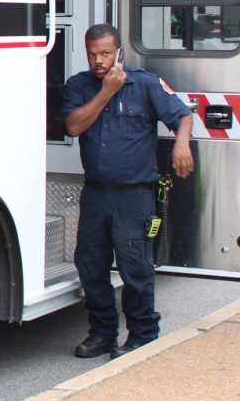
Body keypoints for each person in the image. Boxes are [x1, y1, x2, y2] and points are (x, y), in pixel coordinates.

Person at [61, 23, 193, 359]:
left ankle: (143, 334)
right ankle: (103, 333)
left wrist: (181, 145)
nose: (98, 61)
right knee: (90, 265)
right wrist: (105, 91)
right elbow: (74, 126)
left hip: (135, 196)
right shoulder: (79, 86)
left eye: (105, 54)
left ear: (118, 51)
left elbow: (182, 115)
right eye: (92, 54)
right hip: (96, 193)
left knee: (135, 268)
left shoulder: (144, 83)